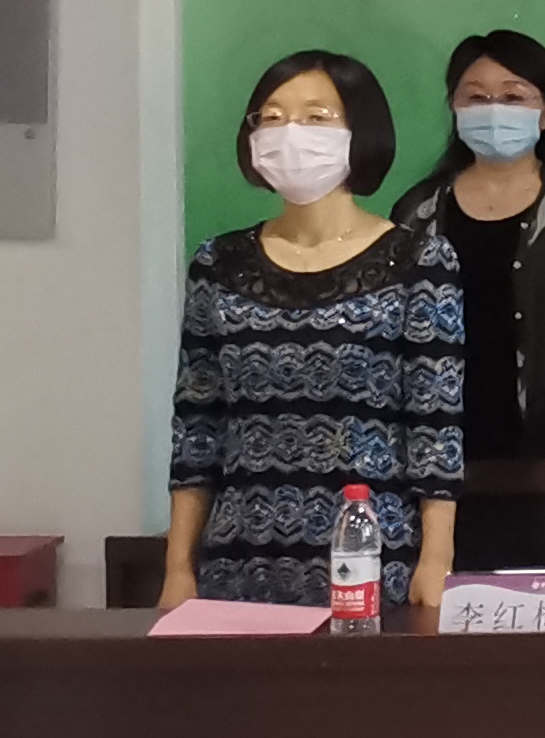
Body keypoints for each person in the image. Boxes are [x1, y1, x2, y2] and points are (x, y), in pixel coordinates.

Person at [160, 50, 464, 616]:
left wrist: (436, 559)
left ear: (360, 132)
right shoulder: (218, 262)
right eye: (271, 118)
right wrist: (178, 567)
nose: (290, 133)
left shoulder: (418, 260)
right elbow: (197, 426)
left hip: (372, 555)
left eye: (316, 117)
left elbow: (435, 427)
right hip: (238, 558)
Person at [391, 30, 545, 473]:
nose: (493, 109)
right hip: (436, 460)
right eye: (476, 97)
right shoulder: (418, 211)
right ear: (454, 107)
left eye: (513, 97)